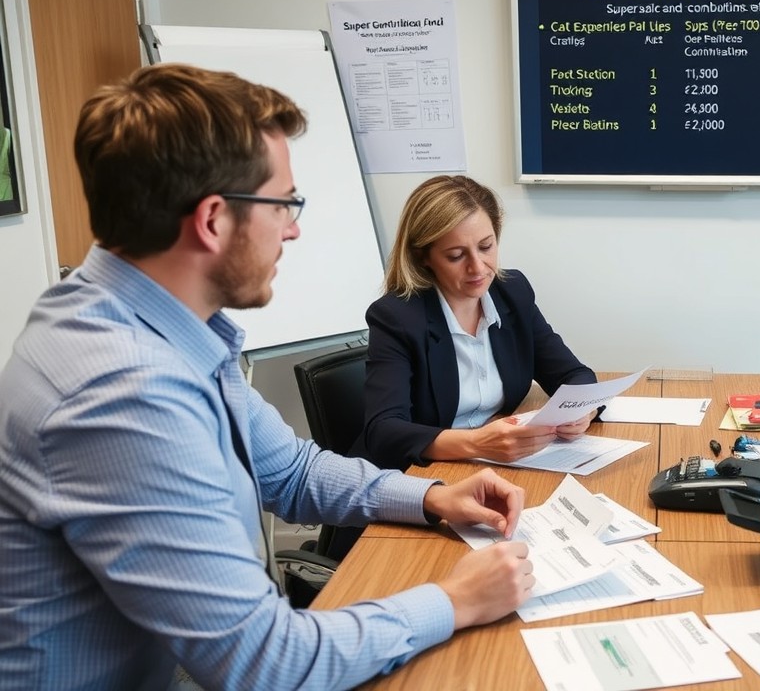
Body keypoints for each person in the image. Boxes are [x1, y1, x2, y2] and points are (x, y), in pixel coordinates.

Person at [0, 63, 536, 689]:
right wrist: (455, 601)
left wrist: (432, 497)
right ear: (212, 220)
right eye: (283, 203)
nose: (293, 227)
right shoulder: (122, 392)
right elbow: (263, 662)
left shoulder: (159, 325)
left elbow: (293, 470)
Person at [353, 174, 597, 472]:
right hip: (419, 472)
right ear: (423, 257)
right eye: (456, 255)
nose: (478, 267)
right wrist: (477, 443)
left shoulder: (513, 292)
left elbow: (574, 374)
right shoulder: (397, 317)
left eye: (486, 247)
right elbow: (384, 431)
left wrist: (582, 410)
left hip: (494, 465)